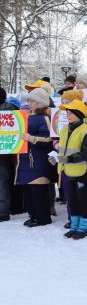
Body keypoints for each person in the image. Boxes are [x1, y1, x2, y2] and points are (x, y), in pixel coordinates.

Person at [51, 100, 87, 240]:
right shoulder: (65, 130)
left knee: (83, 200)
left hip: (82, 172)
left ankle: (84, 228)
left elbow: (85, 154)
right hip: (67, 171)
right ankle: (75, 226)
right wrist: (57, 158)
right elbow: (63, 149)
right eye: (67, 113)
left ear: (78, 114)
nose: (68, 115)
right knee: (72, 200)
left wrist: (65, 159)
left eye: (70, 113)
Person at [17, 87, 55, 227]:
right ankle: (33, 215)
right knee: (28, 191)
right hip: (26, 159)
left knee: (38, 191)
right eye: (29, 100)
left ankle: (43, 217)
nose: (30, 103)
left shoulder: (45, 118)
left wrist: (32, 138)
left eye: (33, 101)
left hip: (39, 159)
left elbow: (49, 139)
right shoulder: (26, 116)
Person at [0, 87, 18, 222]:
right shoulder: (12, 109)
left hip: (4, 150)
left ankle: (3, 212)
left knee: (2, 181)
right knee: (3, 181)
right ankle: (3, 211)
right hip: (6, 151)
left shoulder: (9, 110)